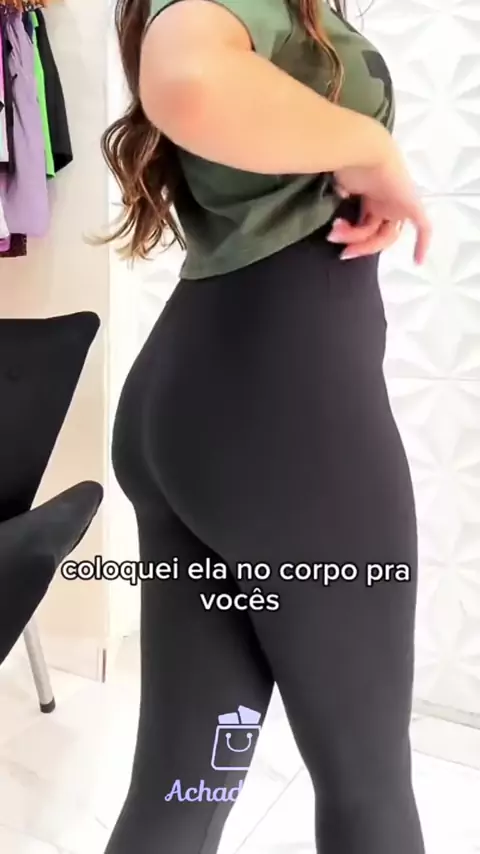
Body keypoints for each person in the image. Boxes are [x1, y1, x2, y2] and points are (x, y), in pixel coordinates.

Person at [100, 1, 430, 853]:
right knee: (368, 787)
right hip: (287, 423)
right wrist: (370, 145)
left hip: (200, 404)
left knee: (184, 781)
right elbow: (186, 78)